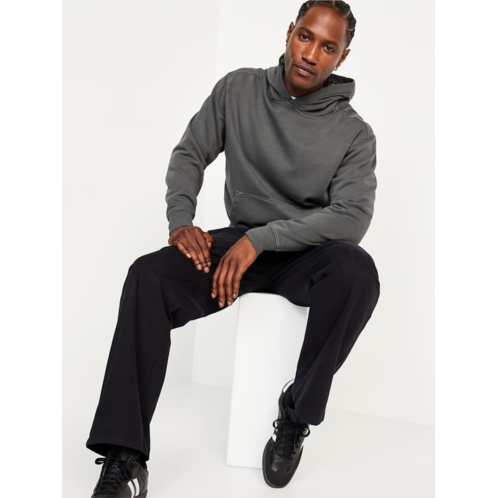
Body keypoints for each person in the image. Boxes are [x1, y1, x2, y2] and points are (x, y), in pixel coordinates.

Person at [87, 0, 380, 496]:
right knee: (147, 276)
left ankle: (295, 415)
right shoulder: (238, 90)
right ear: (289, 32)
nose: (311, 54)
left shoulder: (354, 132)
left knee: (358, 271)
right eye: (305, 36)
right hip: (236, 246)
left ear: (342, 57)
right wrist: (181, 221)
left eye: (328, 47)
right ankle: (124, 456)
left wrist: (261, 239)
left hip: (301, 253)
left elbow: (352, 217)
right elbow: (189, 154)